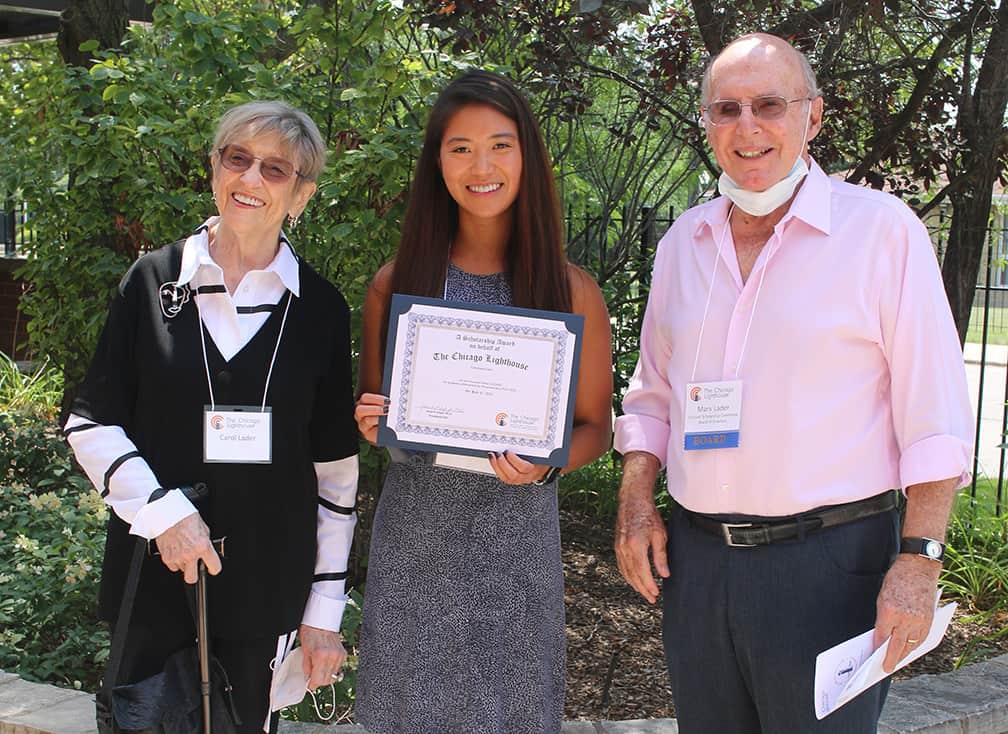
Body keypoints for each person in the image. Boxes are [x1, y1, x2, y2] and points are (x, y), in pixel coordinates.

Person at [613, 33, 973, 734]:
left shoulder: (881, 234)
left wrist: (920, 561)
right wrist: (634, 502)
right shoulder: (682, 244)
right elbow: (652, 396)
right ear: (708, 123)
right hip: (698, 567)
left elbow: (934, 420)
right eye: (726, 108)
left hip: (831, 566)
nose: (747, 127)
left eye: (769, 105)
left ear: (812, 117)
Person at [64, 101, 359, 733]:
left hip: (264, 589)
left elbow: (335, 476)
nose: (251, 179)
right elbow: (90, 422)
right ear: (215, 167)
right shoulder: (152, 282)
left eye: (275, 169)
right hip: (154, 583)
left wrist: (325, 611)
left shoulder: (321, 312)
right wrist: (163, 512)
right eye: (238, 158)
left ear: (300, 194)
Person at [352, 70, 613, 734]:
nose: (481, 166)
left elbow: (595, 429)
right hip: (417, 552)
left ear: (527, 155)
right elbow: (383, 418)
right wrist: (371, 421)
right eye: (460, 148)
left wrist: (548, 463)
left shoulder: (568, 291)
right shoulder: (397, 286)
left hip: (515, 553)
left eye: (500, 144)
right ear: (437, 161)